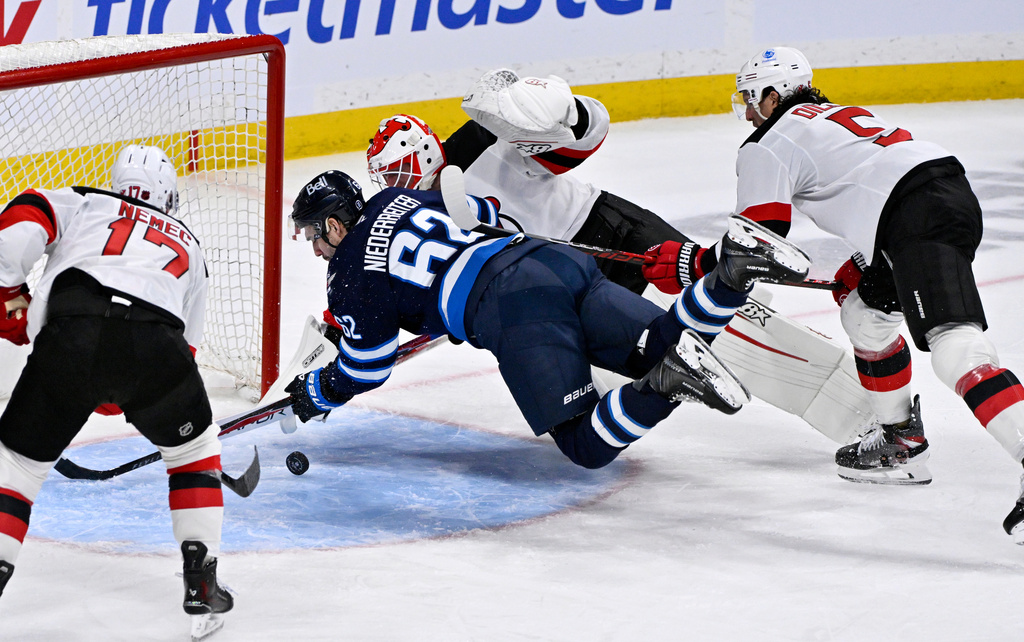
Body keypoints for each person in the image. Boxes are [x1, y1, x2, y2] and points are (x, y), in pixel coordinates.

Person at [647, 45, 1024, 540]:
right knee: (865, 316)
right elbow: (869, 182)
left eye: (749, 98)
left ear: (772, 94)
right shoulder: (830, 116)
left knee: (955, 344)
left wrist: (691, 262)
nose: (745, 110)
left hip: (915, 214)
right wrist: (867, 261)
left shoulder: (769, 141)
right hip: (932, 198)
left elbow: (759, 239)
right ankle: (900, 442)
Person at [283, 170, 810, 471]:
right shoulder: (397, 197)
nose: (314, 250)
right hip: (551, 260)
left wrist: (320, 390)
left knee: (584, 443)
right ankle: (732, 272)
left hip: (514, 307)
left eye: (312, 236)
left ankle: (668, 385)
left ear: (333, 223)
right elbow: (485, 211)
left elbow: (368, 366)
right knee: (666, 342)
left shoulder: (348, 275)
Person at [0, 145, 234, 627]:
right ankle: (202, 583)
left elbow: (21, 219)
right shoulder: (189, 244)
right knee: (192, 452)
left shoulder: (86, 201)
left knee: (17, 466)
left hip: (71, 335)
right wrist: (123, 391)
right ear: (168, 199)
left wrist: (7, 291)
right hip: (155, 347)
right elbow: (185, 352)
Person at [365, 70, 717, 295]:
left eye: (397, 172)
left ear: (424, 152)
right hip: (564, 278)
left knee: (717, 288)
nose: (395, 185)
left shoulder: (481, 139)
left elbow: (579, 143)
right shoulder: (419, 213)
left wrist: (565, 113)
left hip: (606, 227)